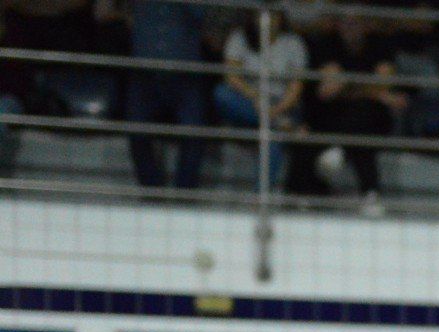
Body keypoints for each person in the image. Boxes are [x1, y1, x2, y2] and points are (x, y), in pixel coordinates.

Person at [290, 13, 406, 208]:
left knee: (362, 120)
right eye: (346, 22)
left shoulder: (380, 45)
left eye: (356, 22)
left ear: (366, 25)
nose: (351, 28)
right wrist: (373, 91)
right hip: (333, 115)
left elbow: (383, 84)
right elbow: (328, 91)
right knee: (335, 128)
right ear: (338, 25)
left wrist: (348, 85)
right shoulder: (327, 44)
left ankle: (342, 154)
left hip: (370, 118)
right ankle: (368, 191)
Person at [124, 0, 210, 190]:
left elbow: (202, 13)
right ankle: (152, 190)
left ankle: (184, 192)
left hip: (185, 71)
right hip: (144, 71)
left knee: (194, 131)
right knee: (136, 129)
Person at [215, 6, 307, 183]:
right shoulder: (240, 37)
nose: (268, 20)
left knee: (272, 135)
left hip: (281, 104)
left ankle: (260, 195)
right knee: (222, 93)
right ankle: (281, 125)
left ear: (281, 17)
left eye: (273, 15)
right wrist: (255, 96)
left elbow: (296, 88)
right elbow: (231, 76)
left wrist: (276, 109)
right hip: (248, 102)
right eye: (262, 15)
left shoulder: (293, 43)